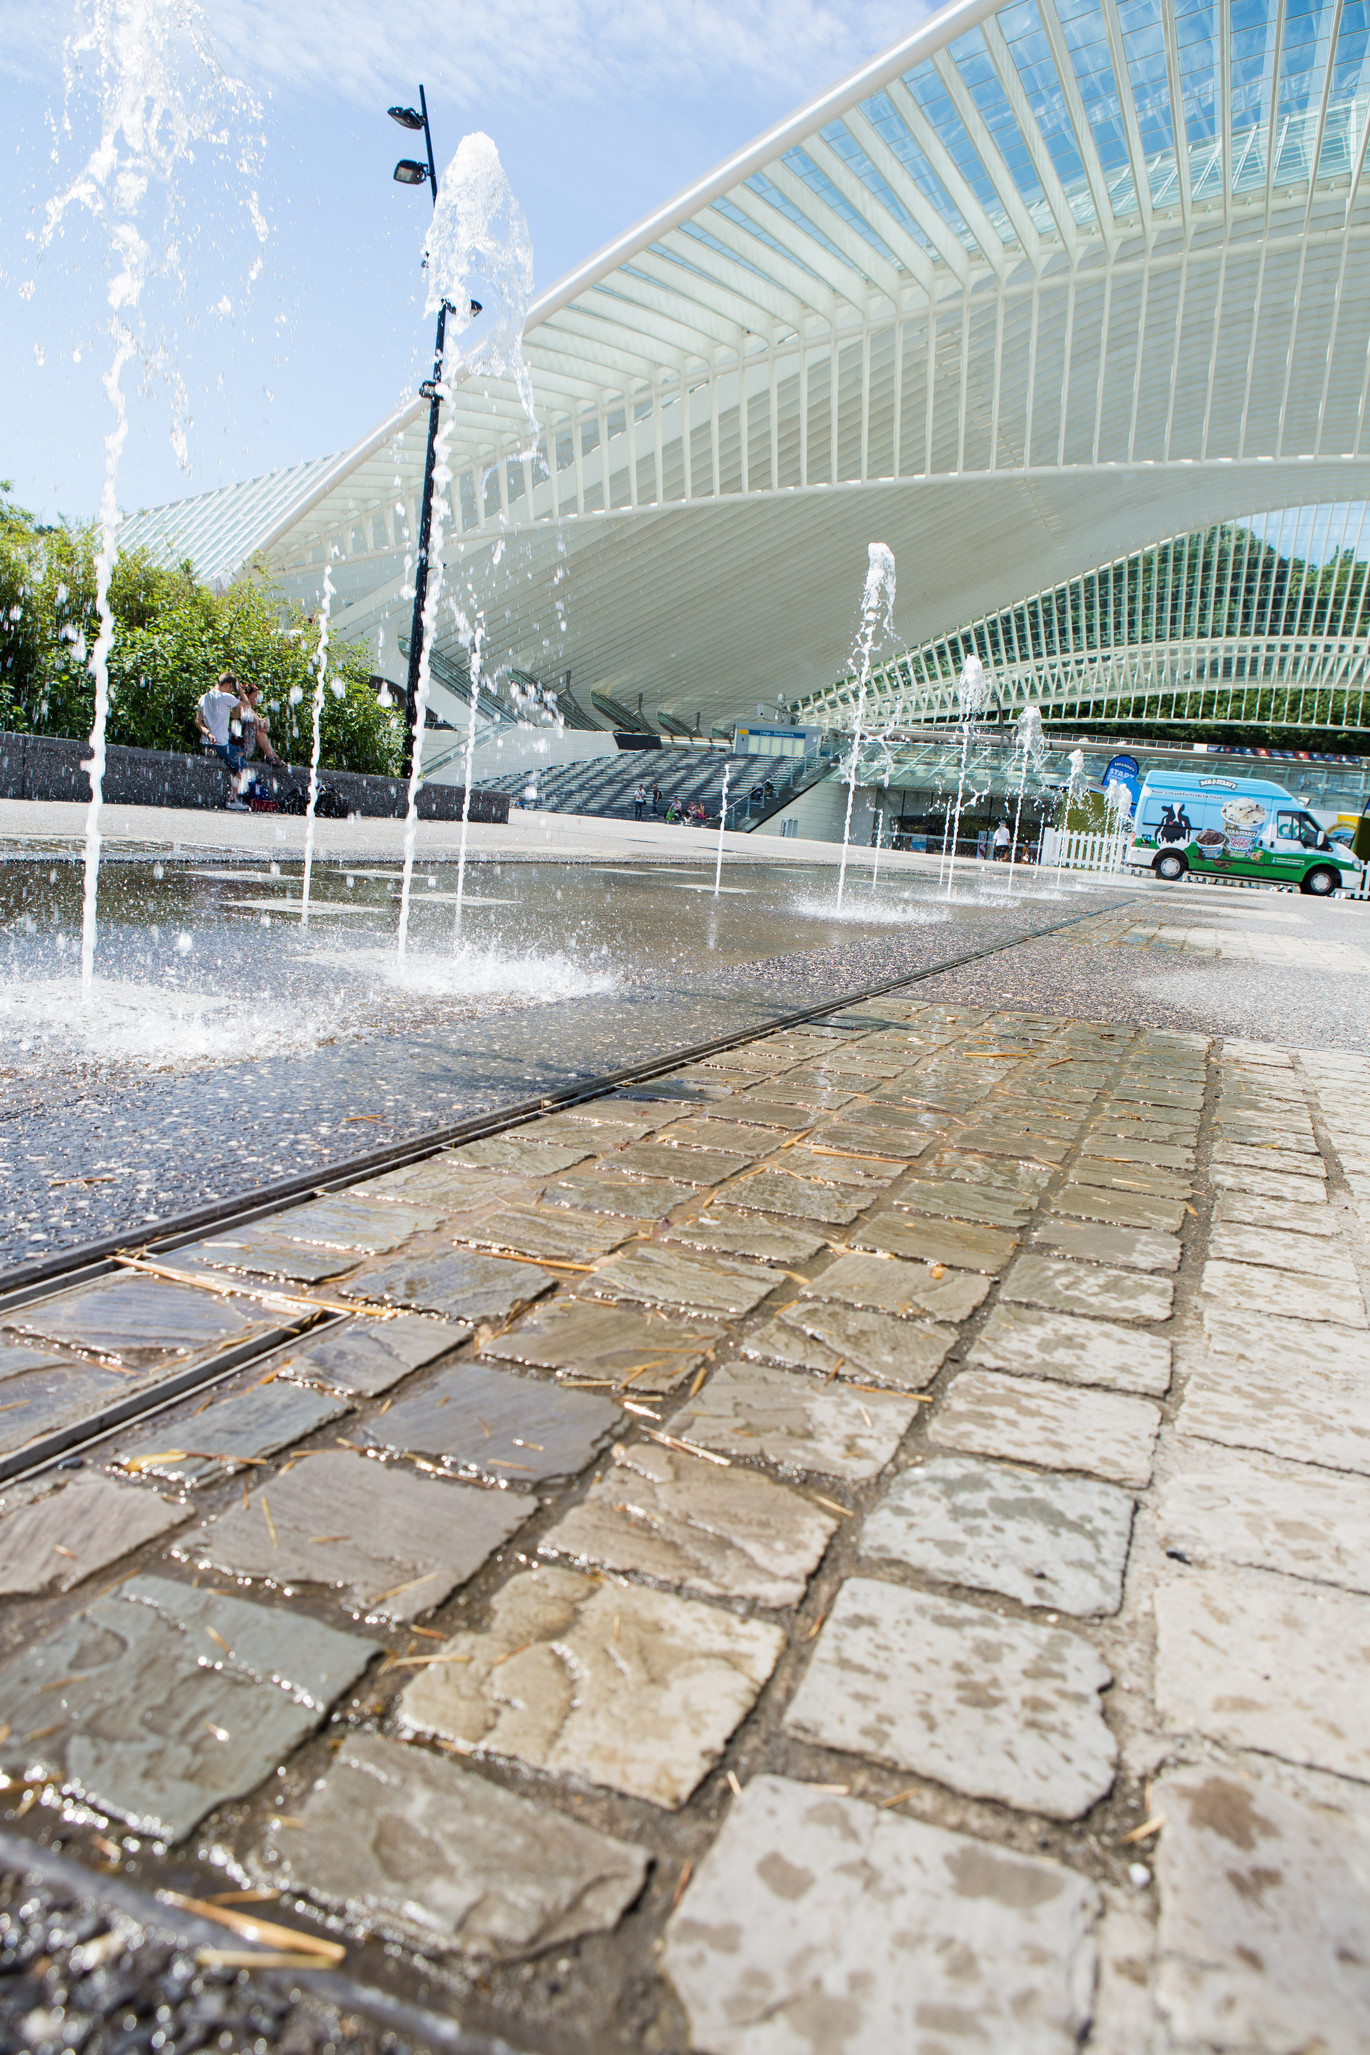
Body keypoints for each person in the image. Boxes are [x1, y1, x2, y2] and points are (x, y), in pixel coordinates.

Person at [195, 672, 249, 810]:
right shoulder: (225, 697)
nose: (232, 691)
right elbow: (247, 706)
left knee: (239, 752)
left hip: (205, 742)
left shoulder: (204, 697)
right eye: (232, 688)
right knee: (243, 767)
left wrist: (207, 733)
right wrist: (241, 689)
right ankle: (232, 799)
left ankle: (232, 774)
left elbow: (197, 721)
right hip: (220, 745)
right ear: (227, 685)